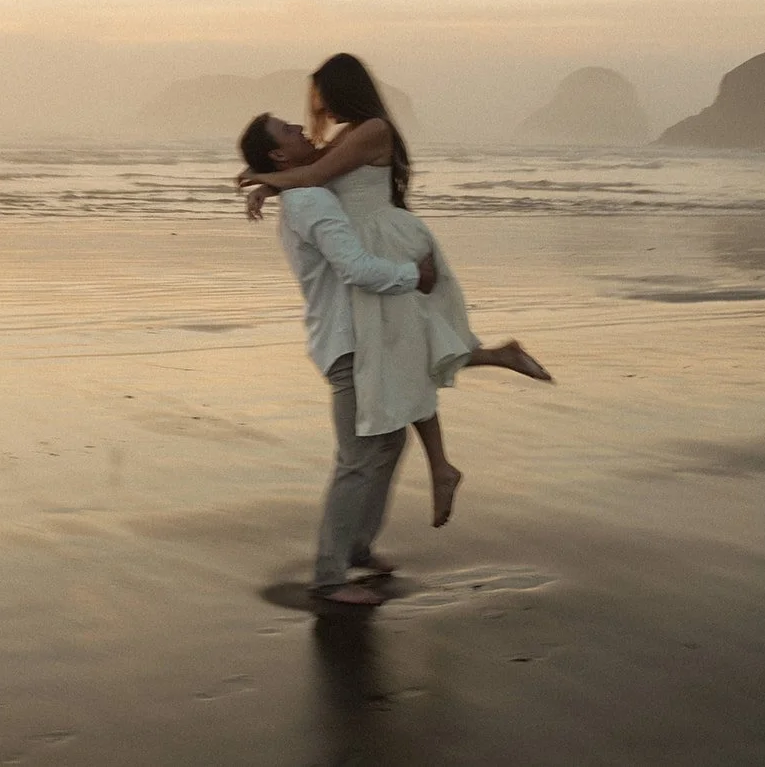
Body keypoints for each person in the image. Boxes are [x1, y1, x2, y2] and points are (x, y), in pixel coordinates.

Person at [239, 54, 552, 526]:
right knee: (407, 353)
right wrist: (273, 185)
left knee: (407, 353)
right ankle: (450, 451)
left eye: (321, 98)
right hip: (377, 245)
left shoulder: (372, 130)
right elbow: (309, 172)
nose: (316, 112)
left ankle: (450, 452)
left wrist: (264, 180)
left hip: (388, 245)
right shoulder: (351, 135)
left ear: (342, 90)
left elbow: (312, 176)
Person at [237, 112, 439, 606]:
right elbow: (355, 268)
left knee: (389, 443)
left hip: (356, 336)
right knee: (356, 459)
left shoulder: (305, 189)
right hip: (348, 344)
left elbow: (327, 161)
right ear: (280, 154)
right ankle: (328, 576)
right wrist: (416, 275)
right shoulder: (310, 200)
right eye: (289, 131)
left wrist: (268, 183)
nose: (303, 130)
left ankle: (357, 547)